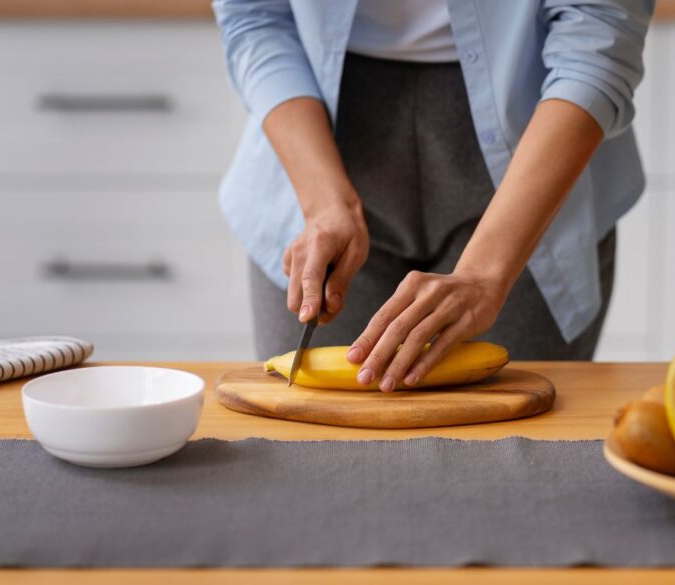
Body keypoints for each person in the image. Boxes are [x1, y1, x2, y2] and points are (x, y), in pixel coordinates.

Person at [214, 0, 652, 392]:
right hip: (313, 137)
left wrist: (484, 275)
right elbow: (255, 17)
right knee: (306, 447)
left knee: (518, 455)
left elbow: (597, 39)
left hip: (534, 144)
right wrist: (324, 202)